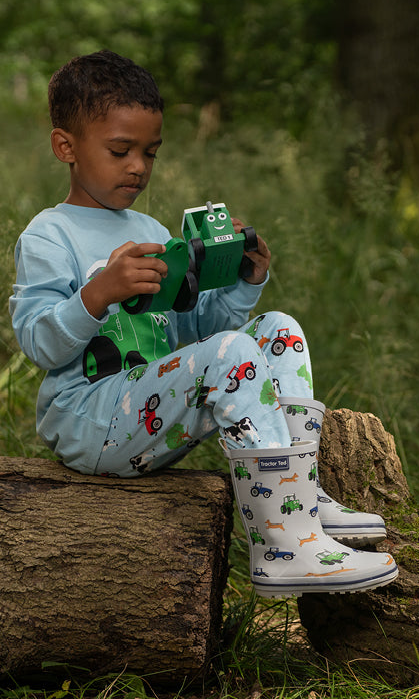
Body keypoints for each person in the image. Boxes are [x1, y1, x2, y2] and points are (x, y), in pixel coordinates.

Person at [10, 50, 396, 596]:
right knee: (231, 355)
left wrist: (243, 281)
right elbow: (39, 343)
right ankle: (283, 547)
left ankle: (299, 502)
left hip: (148, 409)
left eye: (150, 152)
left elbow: (195, 338)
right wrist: (98, 293)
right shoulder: (49, 235)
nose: (138, 166)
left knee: (277, 329)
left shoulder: (147, 225)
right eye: (120, 150)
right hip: (89, 418)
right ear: (64, 147)